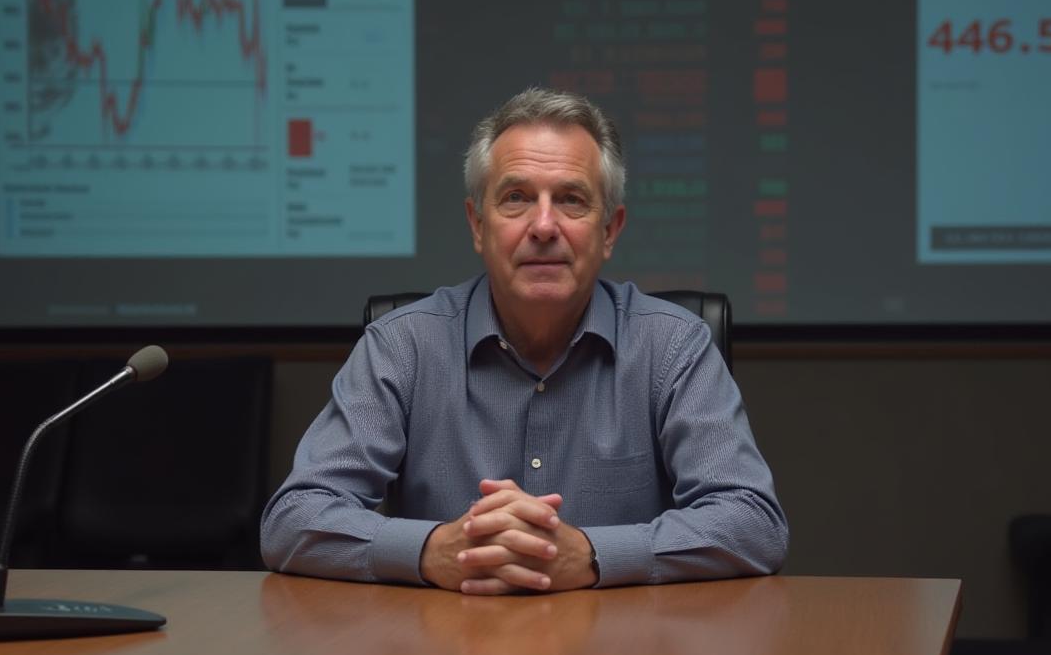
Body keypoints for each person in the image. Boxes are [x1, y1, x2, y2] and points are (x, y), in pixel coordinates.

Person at [261, 87, 787, 594]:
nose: (543, 225)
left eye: (571, 200)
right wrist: (433, 551)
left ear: (609, 230)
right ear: (477, 224)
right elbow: (293, 518)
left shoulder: (674, 346)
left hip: (623, 643)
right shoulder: (403, 345)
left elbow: (753, 522)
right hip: (441, 642)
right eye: (516, 198)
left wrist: (592, 556)